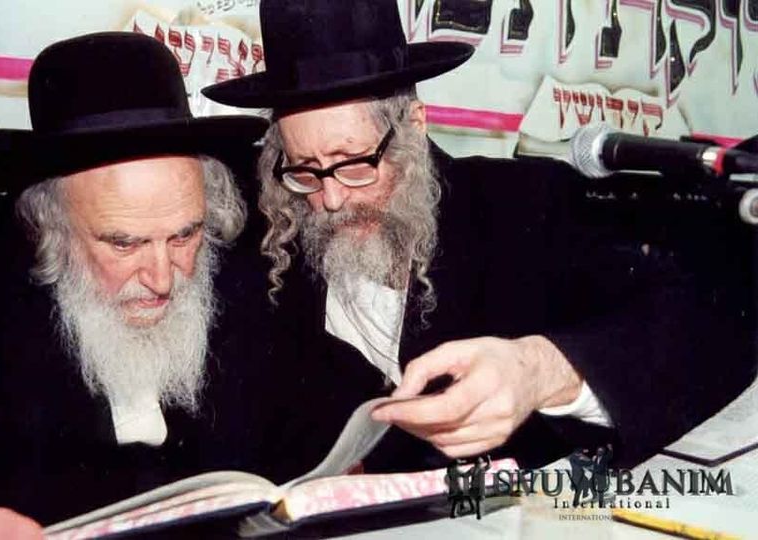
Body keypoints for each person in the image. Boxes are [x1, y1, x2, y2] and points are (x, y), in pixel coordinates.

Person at [202, 0, 756, 479]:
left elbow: (713, 314)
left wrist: (542, 370)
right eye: (304, 169)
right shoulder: (273, 237)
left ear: (414, 125)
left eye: (354, 163)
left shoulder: (520, 205)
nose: (330, 199)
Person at [0, 32, 268, 524]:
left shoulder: (243, 291)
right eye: (125, 244)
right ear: (55, 231)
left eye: (185, 235)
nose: (163, 279)